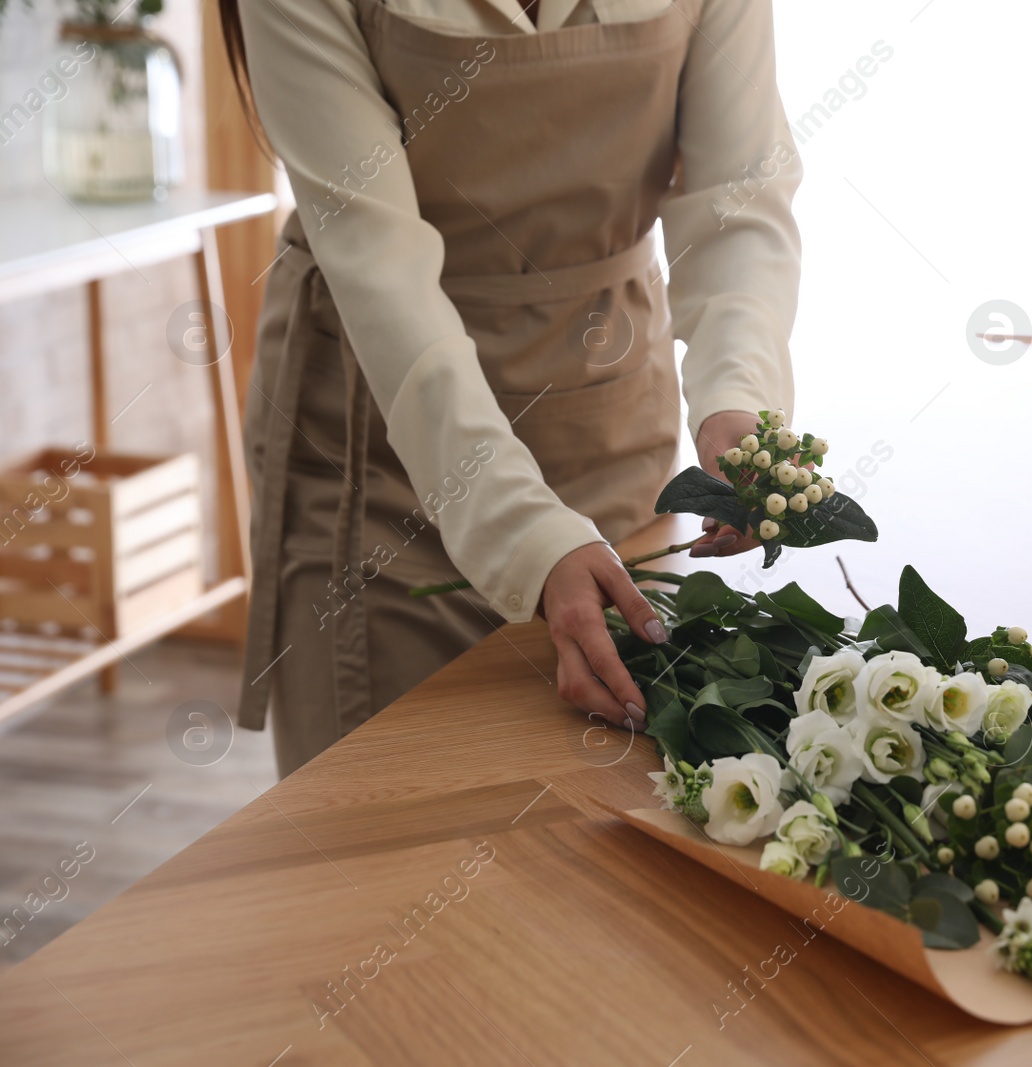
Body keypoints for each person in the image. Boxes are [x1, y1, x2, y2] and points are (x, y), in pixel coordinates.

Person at [220, 0, 801, 776]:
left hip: (610, 426)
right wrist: (526, 534)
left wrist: (738, 397)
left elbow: (739, 200)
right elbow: (380, 269)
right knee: (392, 830)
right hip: (387, 459)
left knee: (610, 833)